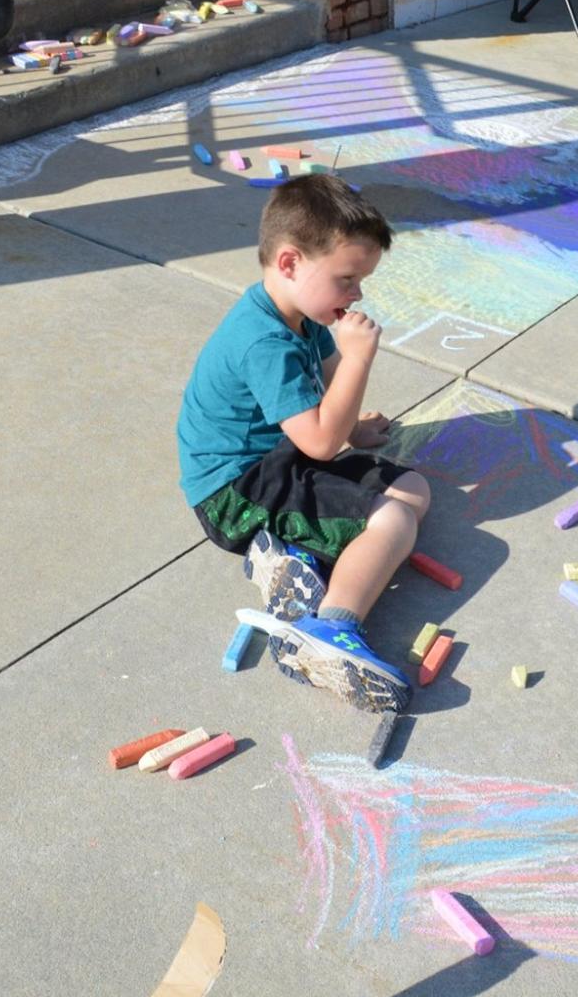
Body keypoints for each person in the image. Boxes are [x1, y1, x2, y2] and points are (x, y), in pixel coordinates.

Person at [175, 175, 429, 713]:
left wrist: (355, 428)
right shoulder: (264, 341)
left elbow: (329, 405)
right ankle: (328, 631)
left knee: (411, 487)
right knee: (394, 521)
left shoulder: (299, 312)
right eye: (347, 278)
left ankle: (290, 559)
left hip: (277, 461)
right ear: (290, 263)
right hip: (235, 492)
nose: (357, 293)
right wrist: (359, 359)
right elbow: (318, 443)